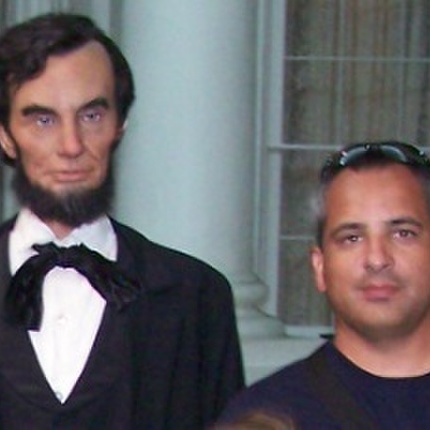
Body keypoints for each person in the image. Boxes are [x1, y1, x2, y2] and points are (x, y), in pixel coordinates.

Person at [0, 12, 244, 429]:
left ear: (121, 125)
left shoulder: (197, 298)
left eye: (91, 116)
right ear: (5, 136)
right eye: (43, 119)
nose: (71, 145)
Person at [218, 141, 430, 429]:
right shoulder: (264, 417)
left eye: (403, 233)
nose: (377, 259)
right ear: (320, 267)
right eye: (351, 238)